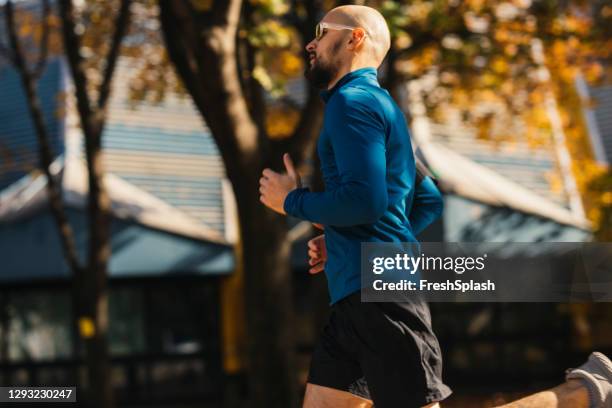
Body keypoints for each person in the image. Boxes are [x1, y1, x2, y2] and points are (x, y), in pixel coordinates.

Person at [258, 4, 612, 407]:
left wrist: (291, 201)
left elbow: (366, 201)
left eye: (322, 31)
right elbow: (427, 199)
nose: (311, 42)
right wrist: (344, 236)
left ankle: (582, 393)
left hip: (382, 293)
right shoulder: (380, 107)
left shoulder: (351, 103)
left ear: (355, 38)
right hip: (359, 294)